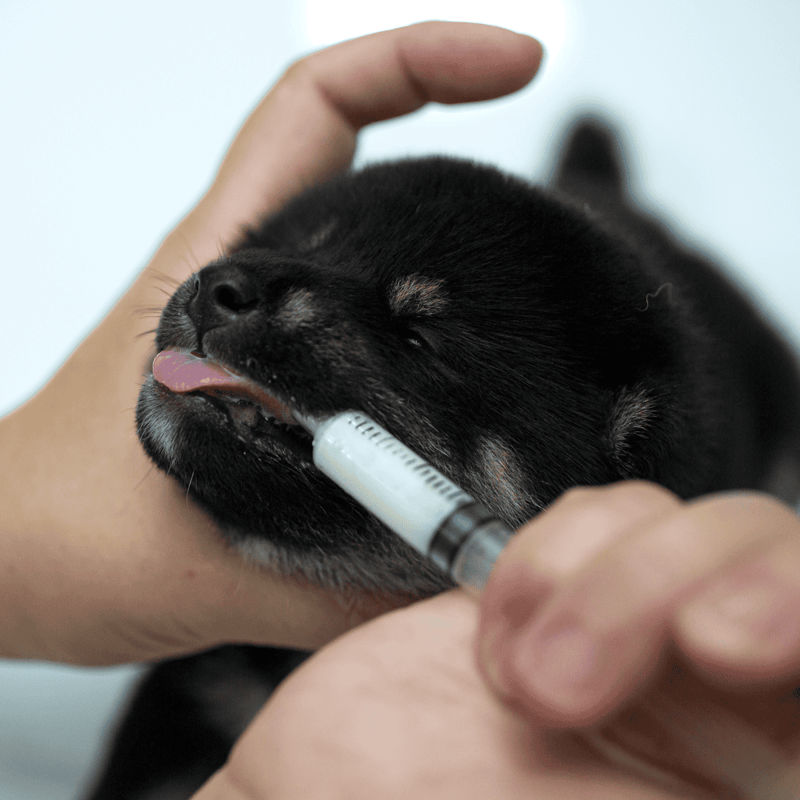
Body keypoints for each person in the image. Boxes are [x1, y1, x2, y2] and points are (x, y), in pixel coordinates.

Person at [1, 20, 798, 799]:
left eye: (418, 340)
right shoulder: (197, 617)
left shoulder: (651, 421)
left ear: (615, 450)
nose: (229, 285)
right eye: (303, 249)